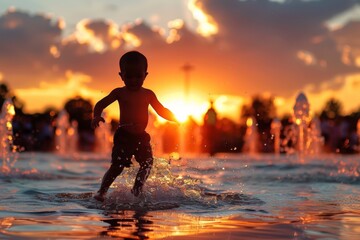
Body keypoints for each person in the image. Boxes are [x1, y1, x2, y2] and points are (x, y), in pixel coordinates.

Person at [91, 51, 178, 201]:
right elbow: (101, 103)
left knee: (147, 164)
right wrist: (96, 116)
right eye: (128, 76)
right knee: (117, 166)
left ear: (145, 75)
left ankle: (137, 189)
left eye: (138, 76)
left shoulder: (148, 94)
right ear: (121, 75)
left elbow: (161, 110)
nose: (133, 80)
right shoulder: (119, 92)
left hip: (141, 136)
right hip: (124, 135)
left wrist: (175, 118)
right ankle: (102, 192)